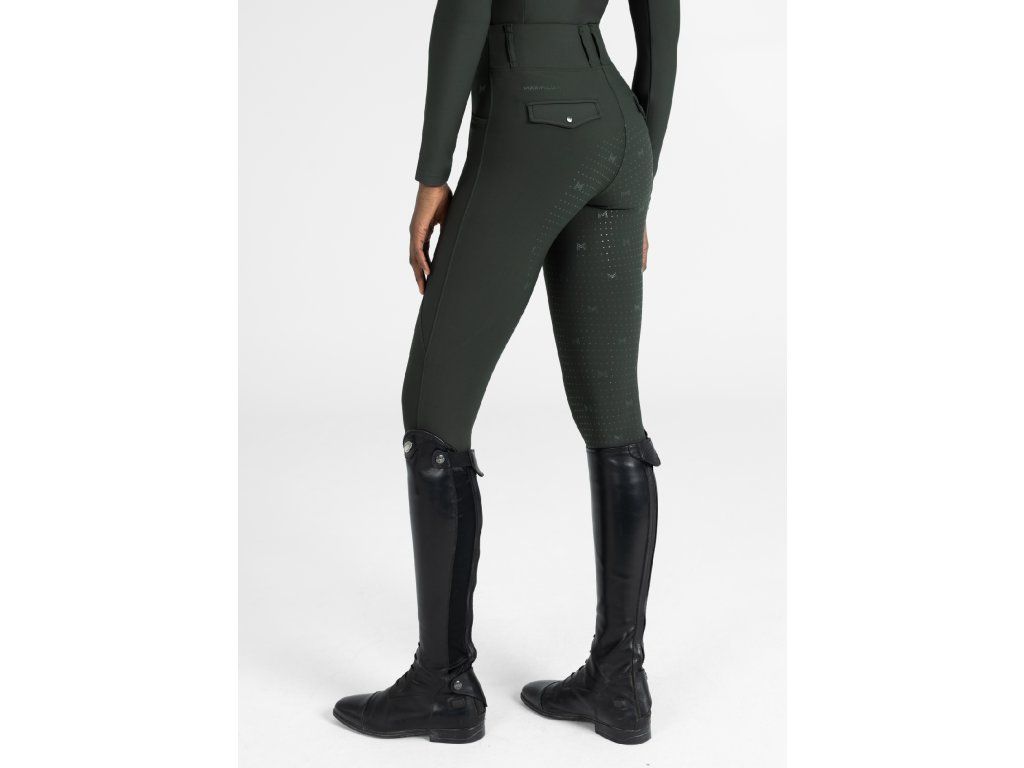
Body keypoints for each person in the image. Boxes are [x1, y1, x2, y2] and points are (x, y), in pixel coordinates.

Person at [333, 0, 679, 745]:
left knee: (433, 410)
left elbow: (463, 14)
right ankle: (620, 682)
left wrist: (432, 174)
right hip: (620, 137)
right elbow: (663, 27)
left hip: (528, 126)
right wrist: (640, 173)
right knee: (614, 414)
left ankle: (443, 685)